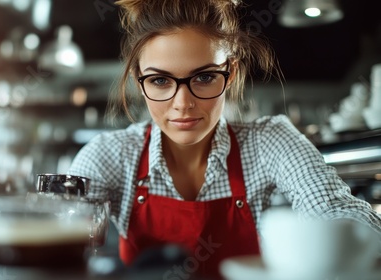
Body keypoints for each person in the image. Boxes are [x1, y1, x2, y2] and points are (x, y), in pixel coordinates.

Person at [68, 0, 381, 278]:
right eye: (160, 80)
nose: (182, 103)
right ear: (139, 79)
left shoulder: (271, 141)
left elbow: (345, 216)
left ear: (229, 73)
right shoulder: (109, 155)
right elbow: (60, 230)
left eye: (204, 77)